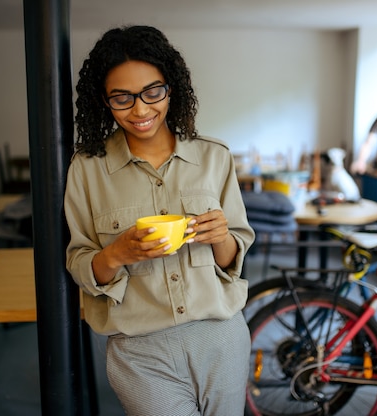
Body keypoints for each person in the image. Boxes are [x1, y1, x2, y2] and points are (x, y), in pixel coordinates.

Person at [64, 25, 255, 416]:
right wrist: (116, 253)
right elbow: (79, 262)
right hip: (140, 350)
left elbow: (231, 260)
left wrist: (221, 236)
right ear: (104, 101)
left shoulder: (214, 158)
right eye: (122, 98)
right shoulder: (87, 170)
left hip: (221, 337)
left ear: (172, 88)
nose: (140, 109)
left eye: (152, 92)